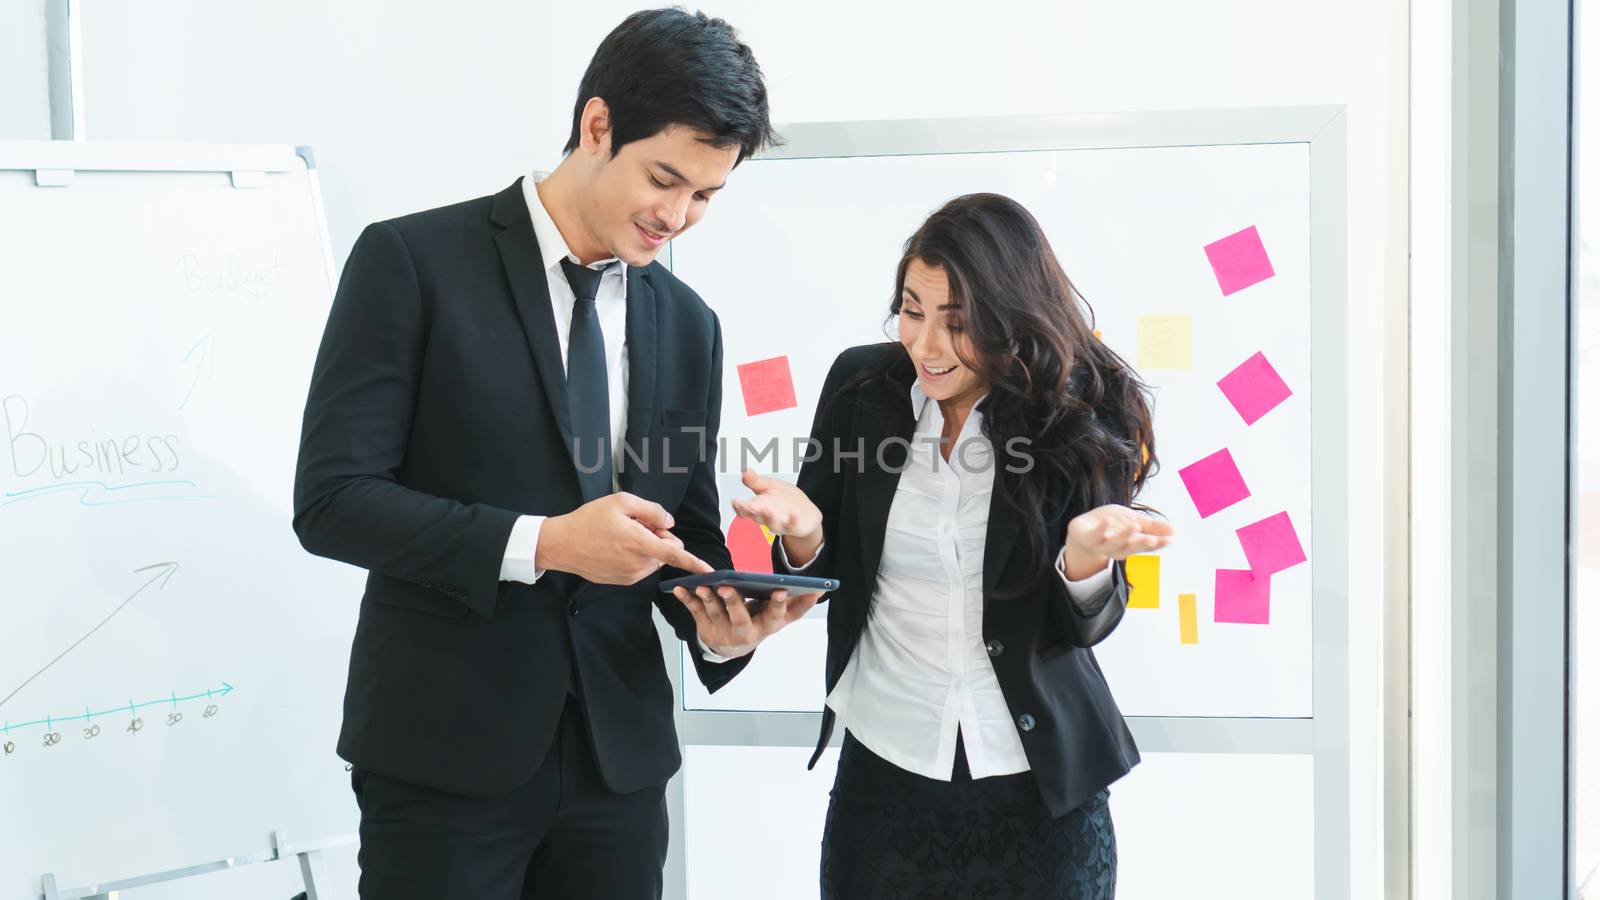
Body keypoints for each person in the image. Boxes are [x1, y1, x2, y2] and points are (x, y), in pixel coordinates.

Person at [292, 10, 815, 899]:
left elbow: (680, 532)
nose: (678, 217)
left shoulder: (689, 325)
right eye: (665, 179)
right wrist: (545, 543)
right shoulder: (413, 262)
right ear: (597, 125)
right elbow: (334, 500)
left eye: (705, 197)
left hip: (620, 771)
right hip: (443, 760)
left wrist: (724, 624)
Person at [714, 193, 1173, 898]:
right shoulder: (862, 389)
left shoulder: (1079, 411)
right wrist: (803, 537)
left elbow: (1085, 627)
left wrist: (1083, 564)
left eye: (957, 324)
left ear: (1010, 317)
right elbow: (828, 566)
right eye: (912, 310)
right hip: (884, 784)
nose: (924, 344)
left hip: (1040, 799)